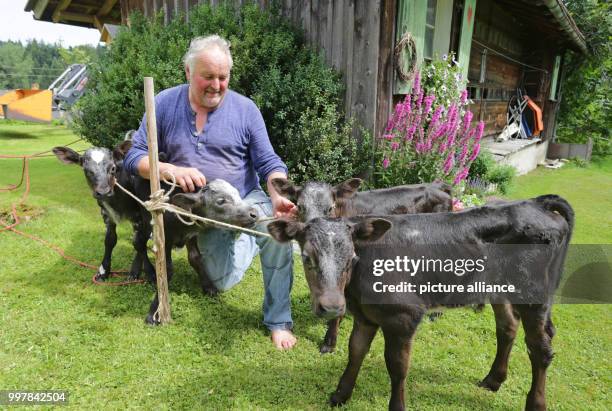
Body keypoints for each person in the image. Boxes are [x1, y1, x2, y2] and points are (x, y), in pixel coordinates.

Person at [123, 35, 298, 350]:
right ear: (188, 72)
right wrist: (169, 170)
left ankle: (279, 320)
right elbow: (133, 156)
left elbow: (270, 162)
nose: (216, 84)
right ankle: (243, 234)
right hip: (201, 211)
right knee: (221, 281)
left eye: (223, 77)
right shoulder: (163, 103)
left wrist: (277, 195)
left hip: (243, 198)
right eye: (208, 76)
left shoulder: (246, 110)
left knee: (274, 231)